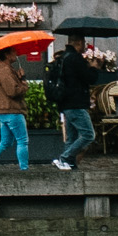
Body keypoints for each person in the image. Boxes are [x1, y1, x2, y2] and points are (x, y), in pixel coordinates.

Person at [44, 26, 102, 171]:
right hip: (76, 103)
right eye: (84, 43)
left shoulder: (63, 57)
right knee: (88, 135)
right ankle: (64, 158)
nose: (84, 46)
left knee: (72, 137)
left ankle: (69, 164)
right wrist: (94, 67)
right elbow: (90, 78)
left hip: (65, 103)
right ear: (79, 42)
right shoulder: (75, 58)